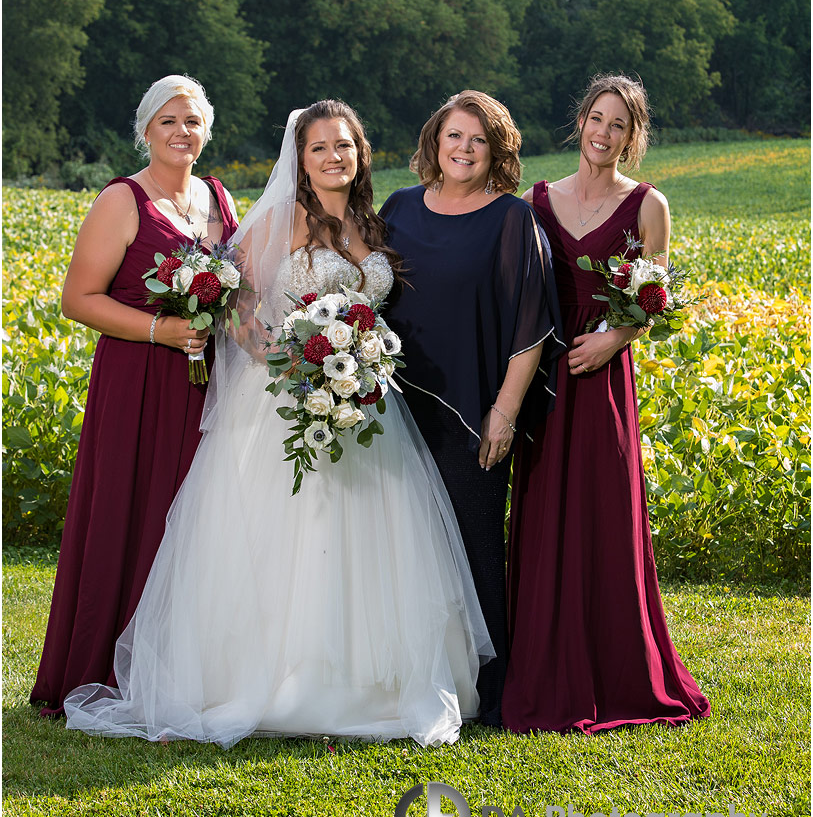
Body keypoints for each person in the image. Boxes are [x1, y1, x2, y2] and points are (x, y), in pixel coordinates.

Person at [64, 100, 492, 748]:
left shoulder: (367, 222)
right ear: (301, 157)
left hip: (365, 402)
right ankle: (289, 680)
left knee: (373, 537)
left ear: (360, 153)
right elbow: (235, 302)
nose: (332, 158)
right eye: (319, 148)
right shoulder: (283, 219)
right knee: (297, 534)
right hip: (289, 401)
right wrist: (282, 354)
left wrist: (356, 358)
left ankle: (371, 679)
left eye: (344, 146)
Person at [502, 73, 710, 733]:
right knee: (541, 519)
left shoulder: (649, 204)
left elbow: (652, 301)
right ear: (580, 121)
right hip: (544, 381)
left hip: (602, 386)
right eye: (597, 118)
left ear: (632, 136)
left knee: (603, 521)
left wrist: (613, 339)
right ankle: (541, 666)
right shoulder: (536, 200)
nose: (604, 133)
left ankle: (614, 671)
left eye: (618, 124)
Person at [31, 75, 239, 717]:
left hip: (208, 383)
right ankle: (104, 664)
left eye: (193, 122)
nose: (182, 133)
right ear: (146, 130)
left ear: (206, 133)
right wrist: (160, 330)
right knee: (133, 508)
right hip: (138, 381)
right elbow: (78, 300)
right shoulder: (122, 201)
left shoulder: (220, 197)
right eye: (168, 121)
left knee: (194, 516)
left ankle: (183, 663)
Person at [379, 90, 564, 727]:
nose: (463, 149)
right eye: (454, 136)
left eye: (478, 140)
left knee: (477, 548)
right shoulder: (399, 208)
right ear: (434, 141)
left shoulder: (511, 220)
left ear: (497, 153)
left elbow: (529, 327)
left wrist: (504, 414)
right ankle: (409, 676)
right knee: (405, 548)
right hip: (394, 407)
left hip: (471, 414)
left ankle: (488, 690)